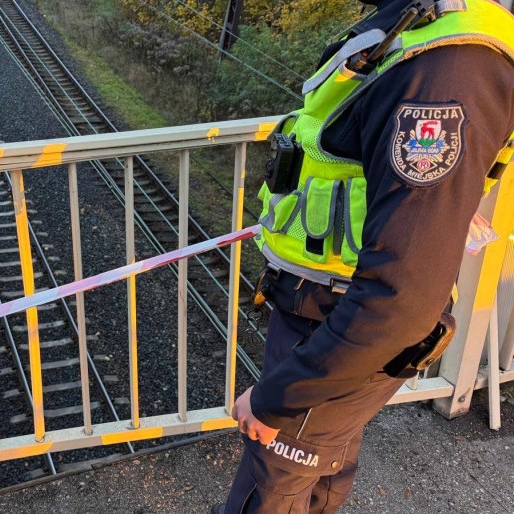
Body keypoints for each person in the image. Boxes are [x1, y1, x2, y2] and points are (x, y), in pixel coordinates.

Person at [215, 0, 514, 512]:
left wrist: (274, 399)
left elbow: (401, 299)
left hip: (336, 322)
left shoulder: (450, 68)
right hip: (328, 311)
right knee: (323, 467)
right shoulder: (424, 23)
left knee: (274, 485)